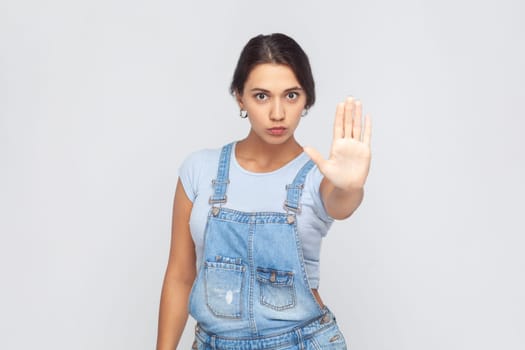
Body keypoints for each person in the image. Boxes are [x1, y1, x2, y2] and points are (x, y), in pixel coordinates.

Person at [156, 33, 372, 350]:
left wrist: (351, 186)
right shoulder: (199, 170)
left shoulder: (318, 177)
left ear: (307, 99)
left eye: (291, 95)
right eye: (261, 96)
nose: (277, 113)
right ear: (239, 97)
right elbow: (180, 274)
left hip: (301, 342)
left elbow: (340, 204)